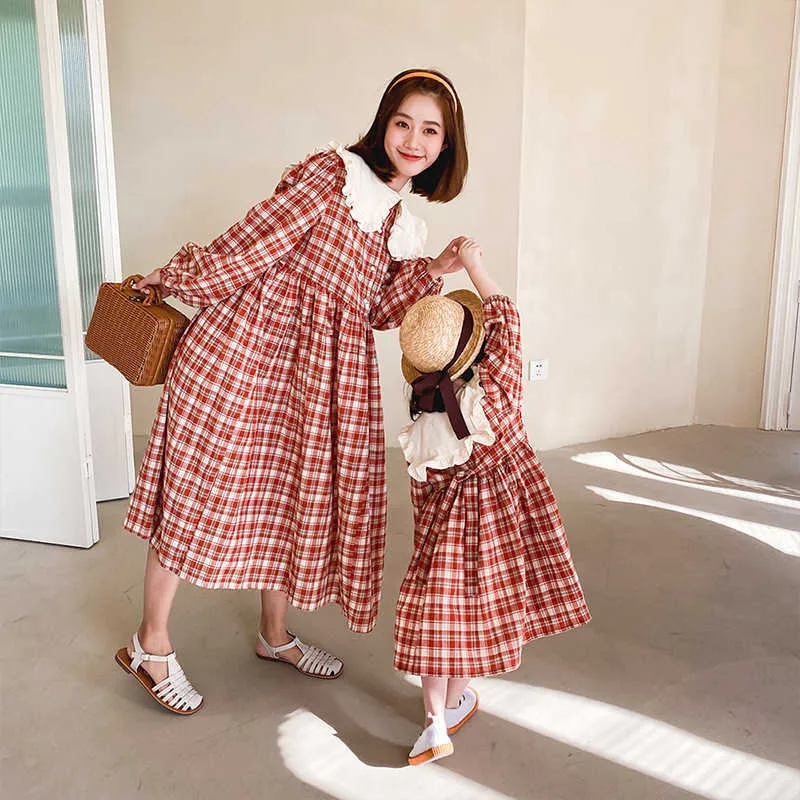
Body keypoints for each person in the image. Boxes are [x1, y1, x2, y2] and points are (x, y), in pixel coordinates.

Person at [114, 69, 471, 715]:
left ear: (446, 146)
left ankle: (274, 636)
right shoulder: (329, 174)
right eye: (403, 122)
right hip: (246, 354)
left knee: (287, 498)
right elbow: (251, 246)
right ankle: (151, 643)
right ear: (382, 123)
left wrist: (435, 270)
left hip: (320, 379)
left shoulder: (399, 220)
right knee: (199, 494)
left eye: (430, 130)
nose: (413, 139)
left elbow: (376, 311)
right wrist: (172, 278)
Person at [394, 239, 591, 764]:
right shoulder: (499, 393)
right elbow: (508, 319)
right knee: (476, 616)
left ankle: (436, 721)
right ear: (477, 350)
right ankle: (458, 697)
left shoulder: (421, 425)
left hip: (447, 539)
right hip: (504, 528)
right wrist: (475, 265)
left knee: (442, 618)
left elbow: (423, 503)